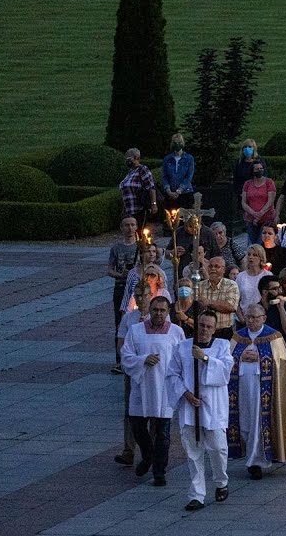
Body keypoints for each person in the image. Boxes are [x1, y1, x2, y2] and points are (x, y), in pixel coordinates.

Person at [167, 310, 234, 511]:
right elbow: (172, 374)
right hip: (190, 406)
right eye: (201, 326)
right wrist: (185, 393)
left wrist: (205, 358)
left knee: (218, 448)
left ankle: (221, 481)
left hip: (213, 407)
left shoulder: (222, 347)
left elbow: (224, 373)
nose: (204, 330)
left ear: (214, 330)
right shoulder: (182, 347)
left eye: (208, 327)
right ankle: (197, 494)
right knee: (193, 452)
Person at [227, 304, 286, 480]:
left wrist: (261, 357)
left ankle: (256, 462)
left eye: (255, 317)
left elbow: (281, 363)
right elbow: (226, 359)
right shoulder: (238, 337)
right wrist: (240, 357)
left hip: (263, 389)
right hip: (241, 387)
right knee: (244, 421)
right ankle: (248, 454)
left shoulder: (273, 336)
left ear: (263, 318)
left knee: (258, 422)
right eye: (248, 317)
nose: (251, 321)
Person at [119, 295, 182, 485]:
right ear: (149, 310)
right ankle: (147, 456)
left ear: (168, 312)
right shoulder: (136, 331)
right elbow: (126, 355)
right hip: (142, 386)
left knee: (163, 432)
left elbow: (181, 359)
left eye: (163, 311)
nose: (159, 314)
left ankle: (159, 471)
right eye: (155, 310)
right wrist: (142, 360)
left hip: (164, 388)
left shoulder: (176, 332)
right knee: (138, 427)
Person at [108, 217, 141, 374]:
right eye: (126, 225)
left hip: (137, 288)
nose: (130, 228)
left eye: (132, 225)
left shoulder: (140, 247)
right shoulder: (116, 248)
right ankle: (119, 359)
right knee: (120, 322)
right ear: (122, 227)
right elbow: (109, 270)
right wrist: (121, 274)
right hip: (121, 288)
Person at [120, 148, 159, 226]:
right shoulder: (130, 172)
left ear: (136, 158)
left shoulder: (142, 169)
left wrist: (153, 204)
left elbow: (151, 187)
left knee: (140, 231)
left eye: (129, 158)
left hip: (139, 208)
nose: (128, 161)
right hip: (129, 209)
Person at [240, 162, 276, 245]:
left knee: (261, 243)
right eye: (257, 169)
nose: (259, 170)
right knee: (252, 243)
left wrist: (259, 214)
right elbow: (244, 202)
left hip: (266, 219)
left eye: (261, 168)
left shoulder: (269, 182)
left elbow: (270, 201)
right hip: (250, 219)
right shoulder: (247, 184)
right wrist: (253, 214)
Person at [161, 134, 195, 212]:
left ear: (182, 143)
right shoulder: (167, 159)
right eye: (175, 142)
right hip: (170, 193)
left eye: (179, 142)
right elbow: (164, 176)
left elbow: (189, 176)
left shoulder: (189, 158)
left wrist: (179, 190)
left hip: (185, 193)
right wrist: (168, 190)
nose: (177, 144)